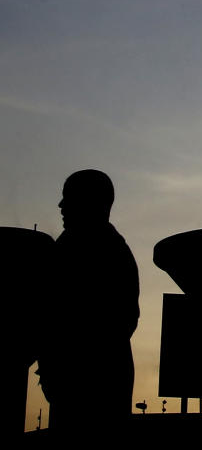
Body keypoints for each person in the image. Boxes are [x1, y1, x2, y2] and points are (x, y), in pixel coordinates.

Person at [38, 170, 140, 434]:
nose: (61, 206)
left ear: (91, 202)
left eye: (68, 198)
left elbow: (119, 322)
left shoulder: (108, 253)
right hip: (76, 384)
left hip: (92, 389)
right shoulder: (71, 248)